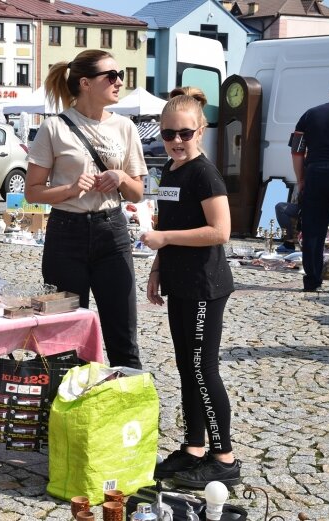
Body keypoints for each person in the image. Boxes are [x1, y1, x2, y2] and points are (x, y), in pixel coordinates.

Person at [140, 88, 239, 488]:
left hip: (204, 284)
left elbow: (221, 231)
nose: (176, 141)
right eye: (168, 134)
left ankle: (224, 457)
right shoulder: (169, 169)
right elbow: (165, 223)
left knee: (203, 368)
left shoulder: (204, 173)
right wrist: (157, 267)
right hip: (179, 280)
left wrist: (166, 241)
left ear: (200, 131)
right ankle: (194, 447)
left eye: (184, 133)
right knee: (187, 367)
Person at [24, 49, 145, 369]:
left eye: (120, 75)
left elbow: (139, 192)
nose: (120, 82)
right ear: (86, 83)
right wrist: (71, 189)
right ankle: (66, 413)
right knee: (64, 336)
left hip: (112, 231)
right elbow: (32, 192)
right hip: (67, 234)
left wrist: (120, 176)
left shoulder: (126, 128)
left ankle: (129, 412)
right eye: (112, 76)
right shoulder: (54, 127)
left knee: (123, 334)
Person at [291, 80, 329, 292]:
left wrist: (301, 179)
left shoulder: (309, 115)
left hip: (316, 174)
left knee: (313, 230)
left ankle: (312, 280)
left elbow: (296, 151)